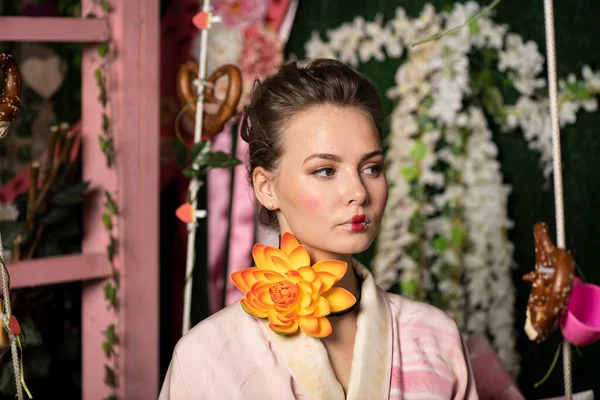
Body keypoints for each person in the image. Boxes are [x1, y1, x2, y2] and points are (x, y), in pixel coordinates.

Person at [159, 59, 478, 399]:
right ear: (266, 187)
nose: (358, 192)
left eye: (371, 168)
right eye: (325, 171)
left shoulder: (435, 336)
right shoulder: (209, 356)